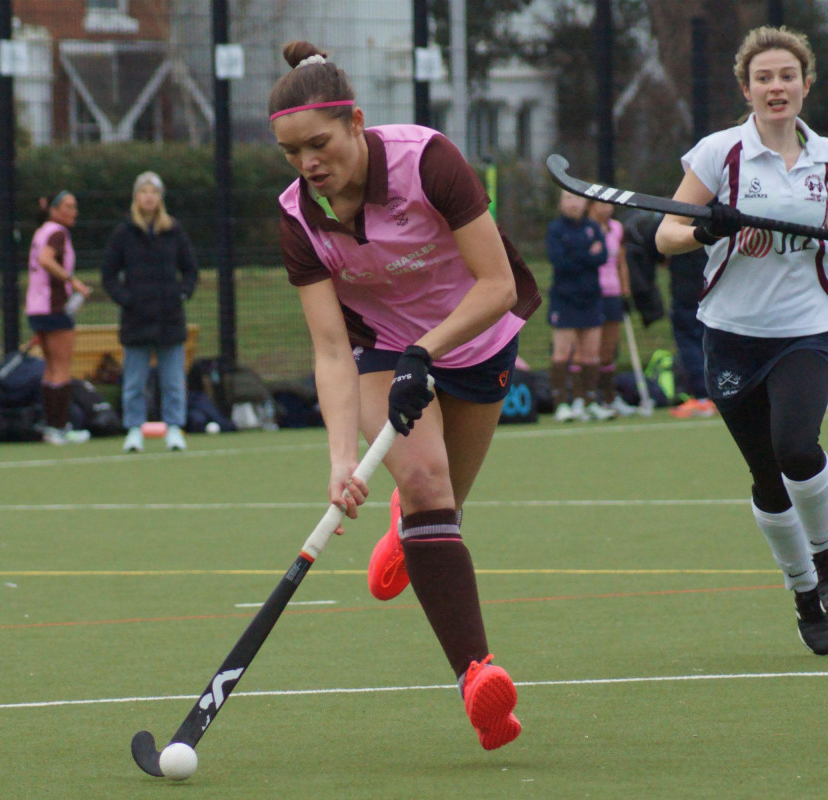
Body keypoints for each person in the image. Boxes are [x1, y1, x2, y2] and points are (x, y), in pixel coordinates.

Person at [270, 40, 540, 750]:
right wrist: (338, 459)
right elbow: (330, 347)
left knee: (447, 500)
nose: (307, 165)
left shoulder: (428, 162)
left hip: (477, 335)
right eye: (291, 152)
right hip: (379, 345)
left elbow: (496, 285)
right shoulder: (299, 215)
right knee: (425, 481)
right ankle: (477, 678)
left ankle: (406, 528)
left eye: (319, 144)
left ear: (356, 121)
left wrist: (430, 350)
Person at [654, 26, 828, 656]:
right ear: (747, 89)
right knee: (766, 476)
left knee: (796, 447)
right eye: (764, 78)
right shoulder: (718, 155)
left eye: (787, 76)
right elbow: (666, 235)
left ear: (806, 85)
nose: (776, 87)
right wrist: (709, 232)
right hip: (731, 334)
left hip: (805, 326)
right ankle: (804, 591)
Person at [102, 171, 199, 453]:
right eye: (143, 192)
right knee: (134, 381)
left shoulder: (174, 231)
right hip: (136, 319)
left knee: (172, 381)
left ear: (160, 198)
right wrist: (126, 299)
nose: (148, 197)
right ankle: (134, 430)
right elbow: (108, 274)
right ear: (136, 197)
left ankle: (174, 429)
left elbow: (191, 270)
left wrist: (181, 293)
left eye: (153, 192)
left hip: (170, 319)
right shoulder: (123, 233)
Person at [25, 191, 93, 445]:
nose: (73, 212)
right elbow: (45, 260)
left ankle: (52, 428)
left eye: (74, 207)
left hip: (36, 308)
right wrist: (73, 281)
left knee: (51, 368)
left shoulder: (41, 231)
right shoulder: (57, 233)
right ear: (54, 209)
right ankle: (59, 428)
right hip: (53, 308)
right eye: (68, 206)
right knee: (62, 368)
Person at [545, 190, 614, 422]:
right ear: (561, 202)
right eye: (567, 198)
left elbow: (602, 256)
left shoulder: (593, 228)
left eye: (577, 199)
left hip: (591, 297)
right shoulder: (556, 229)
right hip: (564, 299)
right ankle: (561, 404)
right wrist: (586, 253)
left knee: (591, 353)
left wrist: (577, 254)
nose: (573, 203)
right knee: (562, 352)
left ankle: (589, 402)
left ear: (585, 203)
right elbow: (560, 261)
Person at [589, 201, 637, 417]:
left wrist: (625, 292)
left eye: (609, 205)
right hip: (591, 294)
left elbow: (621, 262)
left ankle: (609, 397)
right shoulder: (585, 227)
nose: (607, 209)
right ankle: (589, 397)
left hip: (613, 294)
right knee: (590, 350)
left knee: (608, 350)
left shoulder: (617, 227)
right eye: (601, 204)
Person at [664, 247, 717, 418]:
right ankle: (718, 393)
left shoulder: (682, 223)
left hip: (688, 289)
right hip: (710, 288)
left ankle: (703, 398)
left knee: (690, 342)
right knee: (709, 339)